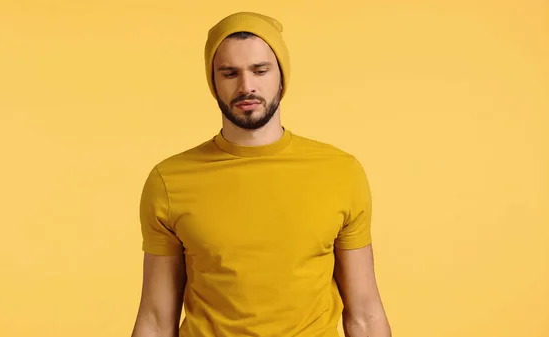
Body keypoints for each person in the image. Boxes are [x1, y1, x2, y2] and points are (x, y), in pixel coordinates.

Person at [131, 11, 391, 337]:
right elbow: (155, 320)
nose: (246, 86)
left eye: (260, 70)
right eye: (229, 73)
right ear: (214, 82)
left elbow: (365, 314)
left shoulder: (341, 172)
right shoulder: (169, 181)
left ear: (281, 76)